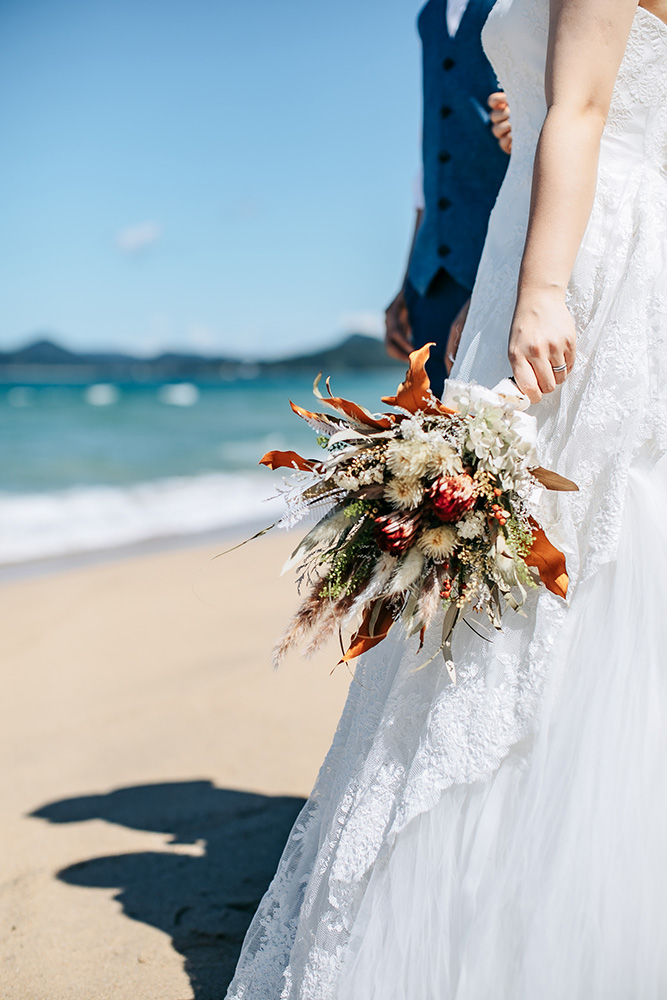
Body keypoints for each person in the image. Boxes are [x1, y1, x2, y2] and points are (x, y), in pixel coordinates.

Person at [226, 1, 667, 997]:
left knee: (582, 551)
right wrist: (491, 279)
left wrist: (544, 287)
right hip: (533, 234)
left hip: (588, 245)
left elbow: (587, 107)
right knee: (506, 570)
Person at [385, 0, 510, 398]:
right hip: (432, 277)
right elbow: (432, 160)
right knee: (433, 440)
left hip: (507, 251)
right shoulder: (430, 16)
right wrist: (408, 279)